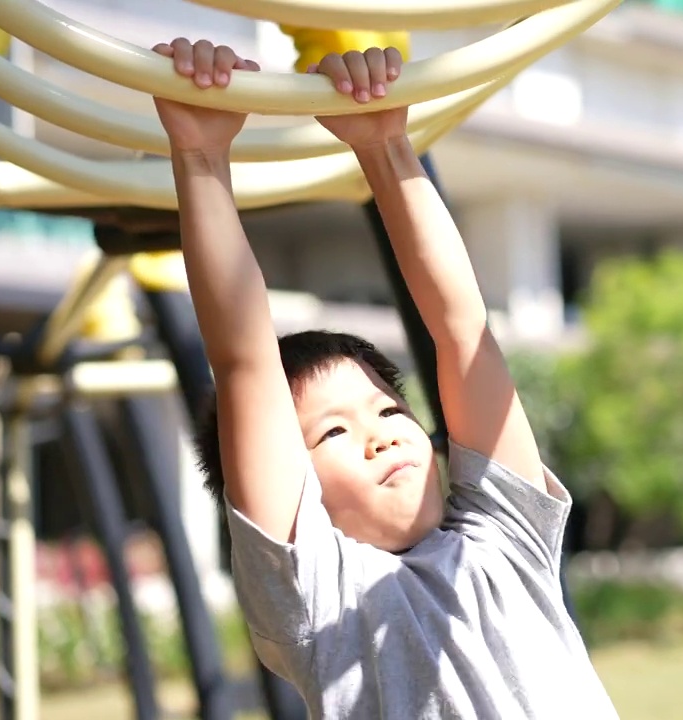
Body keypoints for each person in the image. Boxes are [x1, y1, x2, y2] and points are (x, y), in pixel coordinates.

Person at [150, 37, 619, 720]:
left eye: (390, 413)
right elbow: (245, 362)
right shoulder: (317, 595)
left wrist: (384, 146)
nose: (379, 438)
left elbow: (462, 330)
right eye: (333, 429)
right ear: (294, 481)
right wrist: (199, 157)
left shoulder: (505, 536)